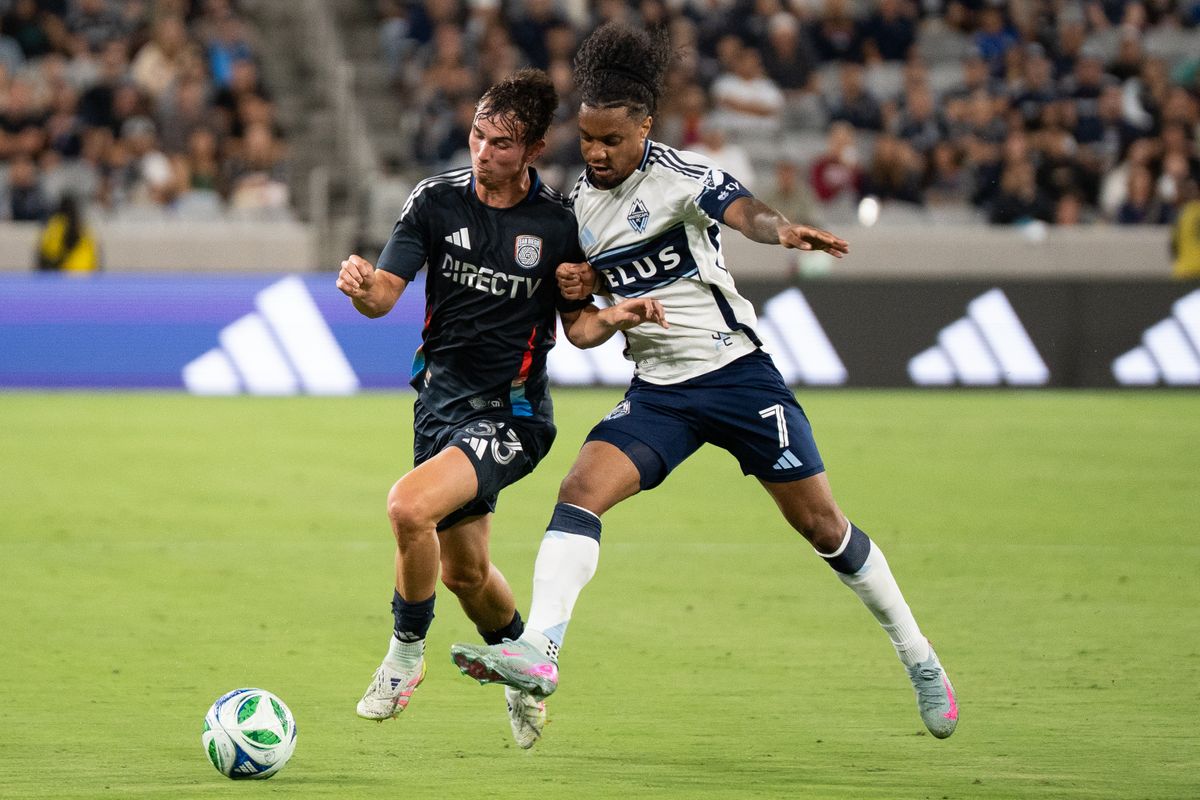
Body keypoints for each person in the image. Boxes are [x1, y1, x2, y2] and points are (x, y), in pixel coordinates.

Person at [450, 22, 958, 743]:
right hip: (660, 393)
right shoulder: (574, 213)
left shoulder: (681, 178)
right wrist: (587, 294)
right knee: (580, 491)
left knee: (822, 525)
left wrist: (778, 228)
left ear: (645, 130)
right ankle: (540, 652)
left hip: (736, 378)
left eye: (611, 142)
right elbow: (582, 328)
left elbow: (740, 210)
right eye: (588, 139)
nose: (596, 154)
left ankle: (920, 659)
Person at [335, 68, 664, 749]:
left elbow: (577, 330)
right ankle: (526, 672)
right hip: (438, 408)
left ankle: (402, 659)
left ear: (536, 148)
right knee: (464, 573)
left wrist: (617, 313)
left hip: (511, 416)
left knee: (407, 507)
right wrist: (361, 286)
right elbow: (384, 296)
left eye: (503, 143)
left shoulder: (556, 225)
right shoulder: (434, 203)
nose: (484, 152)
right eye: (478, 136)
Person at [36, 195, 99, 273]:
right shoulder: (83, 227)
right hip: (83, 272)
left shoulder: (56, 225)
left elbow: (48, 254)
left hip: (69, 272)